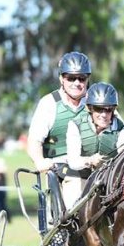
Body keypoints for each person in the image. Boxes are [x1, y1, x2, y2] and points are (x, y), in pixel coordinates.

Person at [27, 51, 92, 209]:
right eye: (71, 78)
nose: (77, 83)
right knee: (76, 182)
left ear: (87, 79)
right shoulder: (49, 104)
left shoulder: (98, 102)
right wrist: (40, 161)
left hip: (97, 168)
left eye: (81, 78)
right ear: (61, 79)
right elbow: (34, 142)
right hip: (62, 170)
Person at [66, 82, 124, 184]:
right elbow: (73, 161)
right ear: (90, 108)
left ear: (113, 110)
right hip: (79, 176)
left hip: (109, 178)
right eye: (98, 109)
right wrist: (90, 160)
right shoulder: (75, 125)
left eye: (108, 110)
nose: (103, 114)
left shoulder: (121, 127)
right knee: (74, 190)